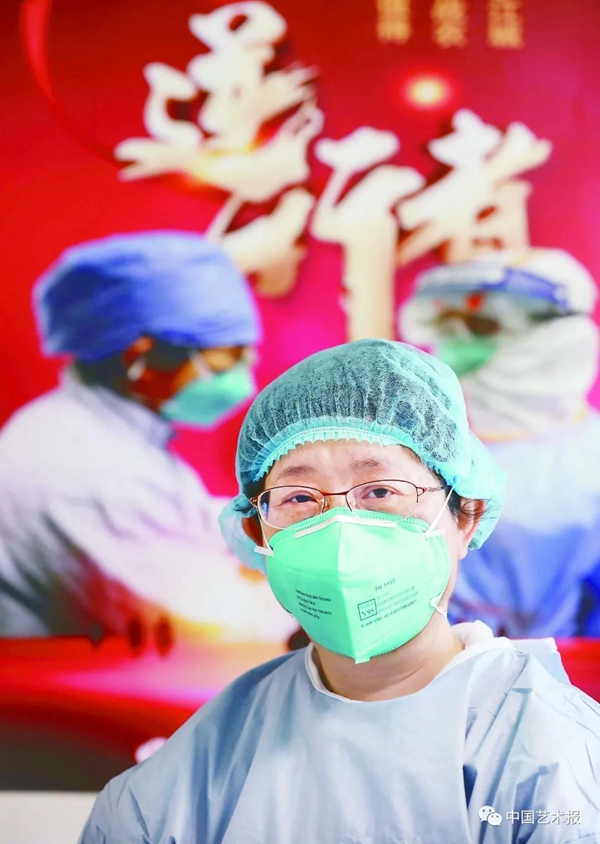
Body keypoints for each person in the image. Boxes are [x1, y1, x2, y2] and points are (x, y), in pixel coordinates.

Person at [79, 339, 600, 843]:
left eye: (380, 491)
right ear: (258, 532)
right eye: (300, 498)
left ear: (465, 516)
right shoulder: (206, 757)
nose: (341, 531)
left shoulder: (545, 750)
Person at [0, 230, 296, 642]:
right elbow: (223, 627)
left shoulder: (100, 432)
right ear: (141, 357)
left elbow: (191, 520)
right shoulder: (86, 469)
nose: (244, 379)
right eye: (227, 360)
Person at [400, 248, 600, 637]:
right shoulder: (421, 451)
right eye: (446, 324)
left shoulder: (589, 461)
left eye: (480, 325)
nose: (455, 344)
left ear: (559, 339)